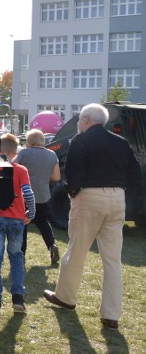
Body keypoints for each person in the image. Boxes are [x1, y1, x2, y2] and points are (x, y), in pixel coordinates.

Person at [43, 103, 143, 330]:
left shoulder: (80, 140)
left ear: (87, 120)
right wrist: (123, 193)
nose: (78, 124)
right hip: (117, 199)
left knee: (77, 250)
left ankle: (66, 297)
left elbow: (74, 170)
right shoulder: (121, 142)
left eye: (79, 120)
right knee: (112, 259)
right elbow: (136, 174)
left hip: (89, 197)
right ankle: (111, 315)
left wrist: (73, 193)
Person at [0, 133, 35, 316]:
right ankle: (18, 299)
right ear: (15, 152)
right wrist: (31, 212)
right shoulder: (21, 170)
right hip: (17, 219)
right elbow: (28, 193)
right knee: (16, 258)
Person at [13, 128, 61, 264]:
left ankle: (21, 255)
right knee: (43, 221)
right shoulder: (52, 155)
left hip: (24, 195)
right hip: (43, 195)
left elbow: (12, 168)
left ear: (30, 141)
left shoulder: (24, 153)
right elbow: (56, 177)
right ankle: (52, 245)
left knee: (23, 223)